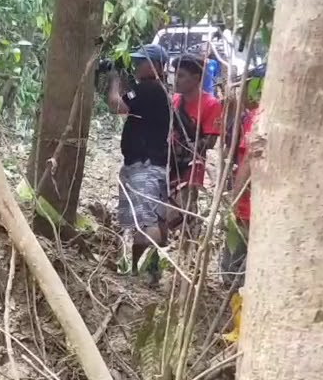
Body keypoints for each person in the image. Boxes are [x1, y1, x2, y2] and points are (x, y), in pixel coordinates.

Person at [105, 44, 173, 283]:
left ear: (154, 65)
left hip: (144, 165)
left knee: (145, 220)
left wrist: (113, 80)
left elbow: (117, 105)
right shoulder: (159, 90)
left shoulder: (148, 89)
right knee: (154, 217)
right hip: (155, 163)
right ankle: (148, 270)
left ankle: (144, 273)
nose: (136, 66)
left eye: (140, 62)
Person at [221, 63, 266, 343]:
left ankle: (242, 333)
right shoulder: (255, 116)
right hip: (258, 209)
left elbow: (248, 160)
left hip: (248, 209)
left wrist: (234, 199)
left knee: (235, 272)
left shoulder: (259, 118)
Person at [169, 54, 224, 234]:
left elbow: (210, 141)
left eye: (181, 75)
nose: (176, 79)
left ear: (196, 78)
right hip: (170, 161)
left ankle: (189, 242)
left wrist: (184, 145)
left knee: (186, 206)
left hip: (191, 164)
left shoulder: (211, 104)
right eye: (175, 74)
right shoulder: (175, 100)